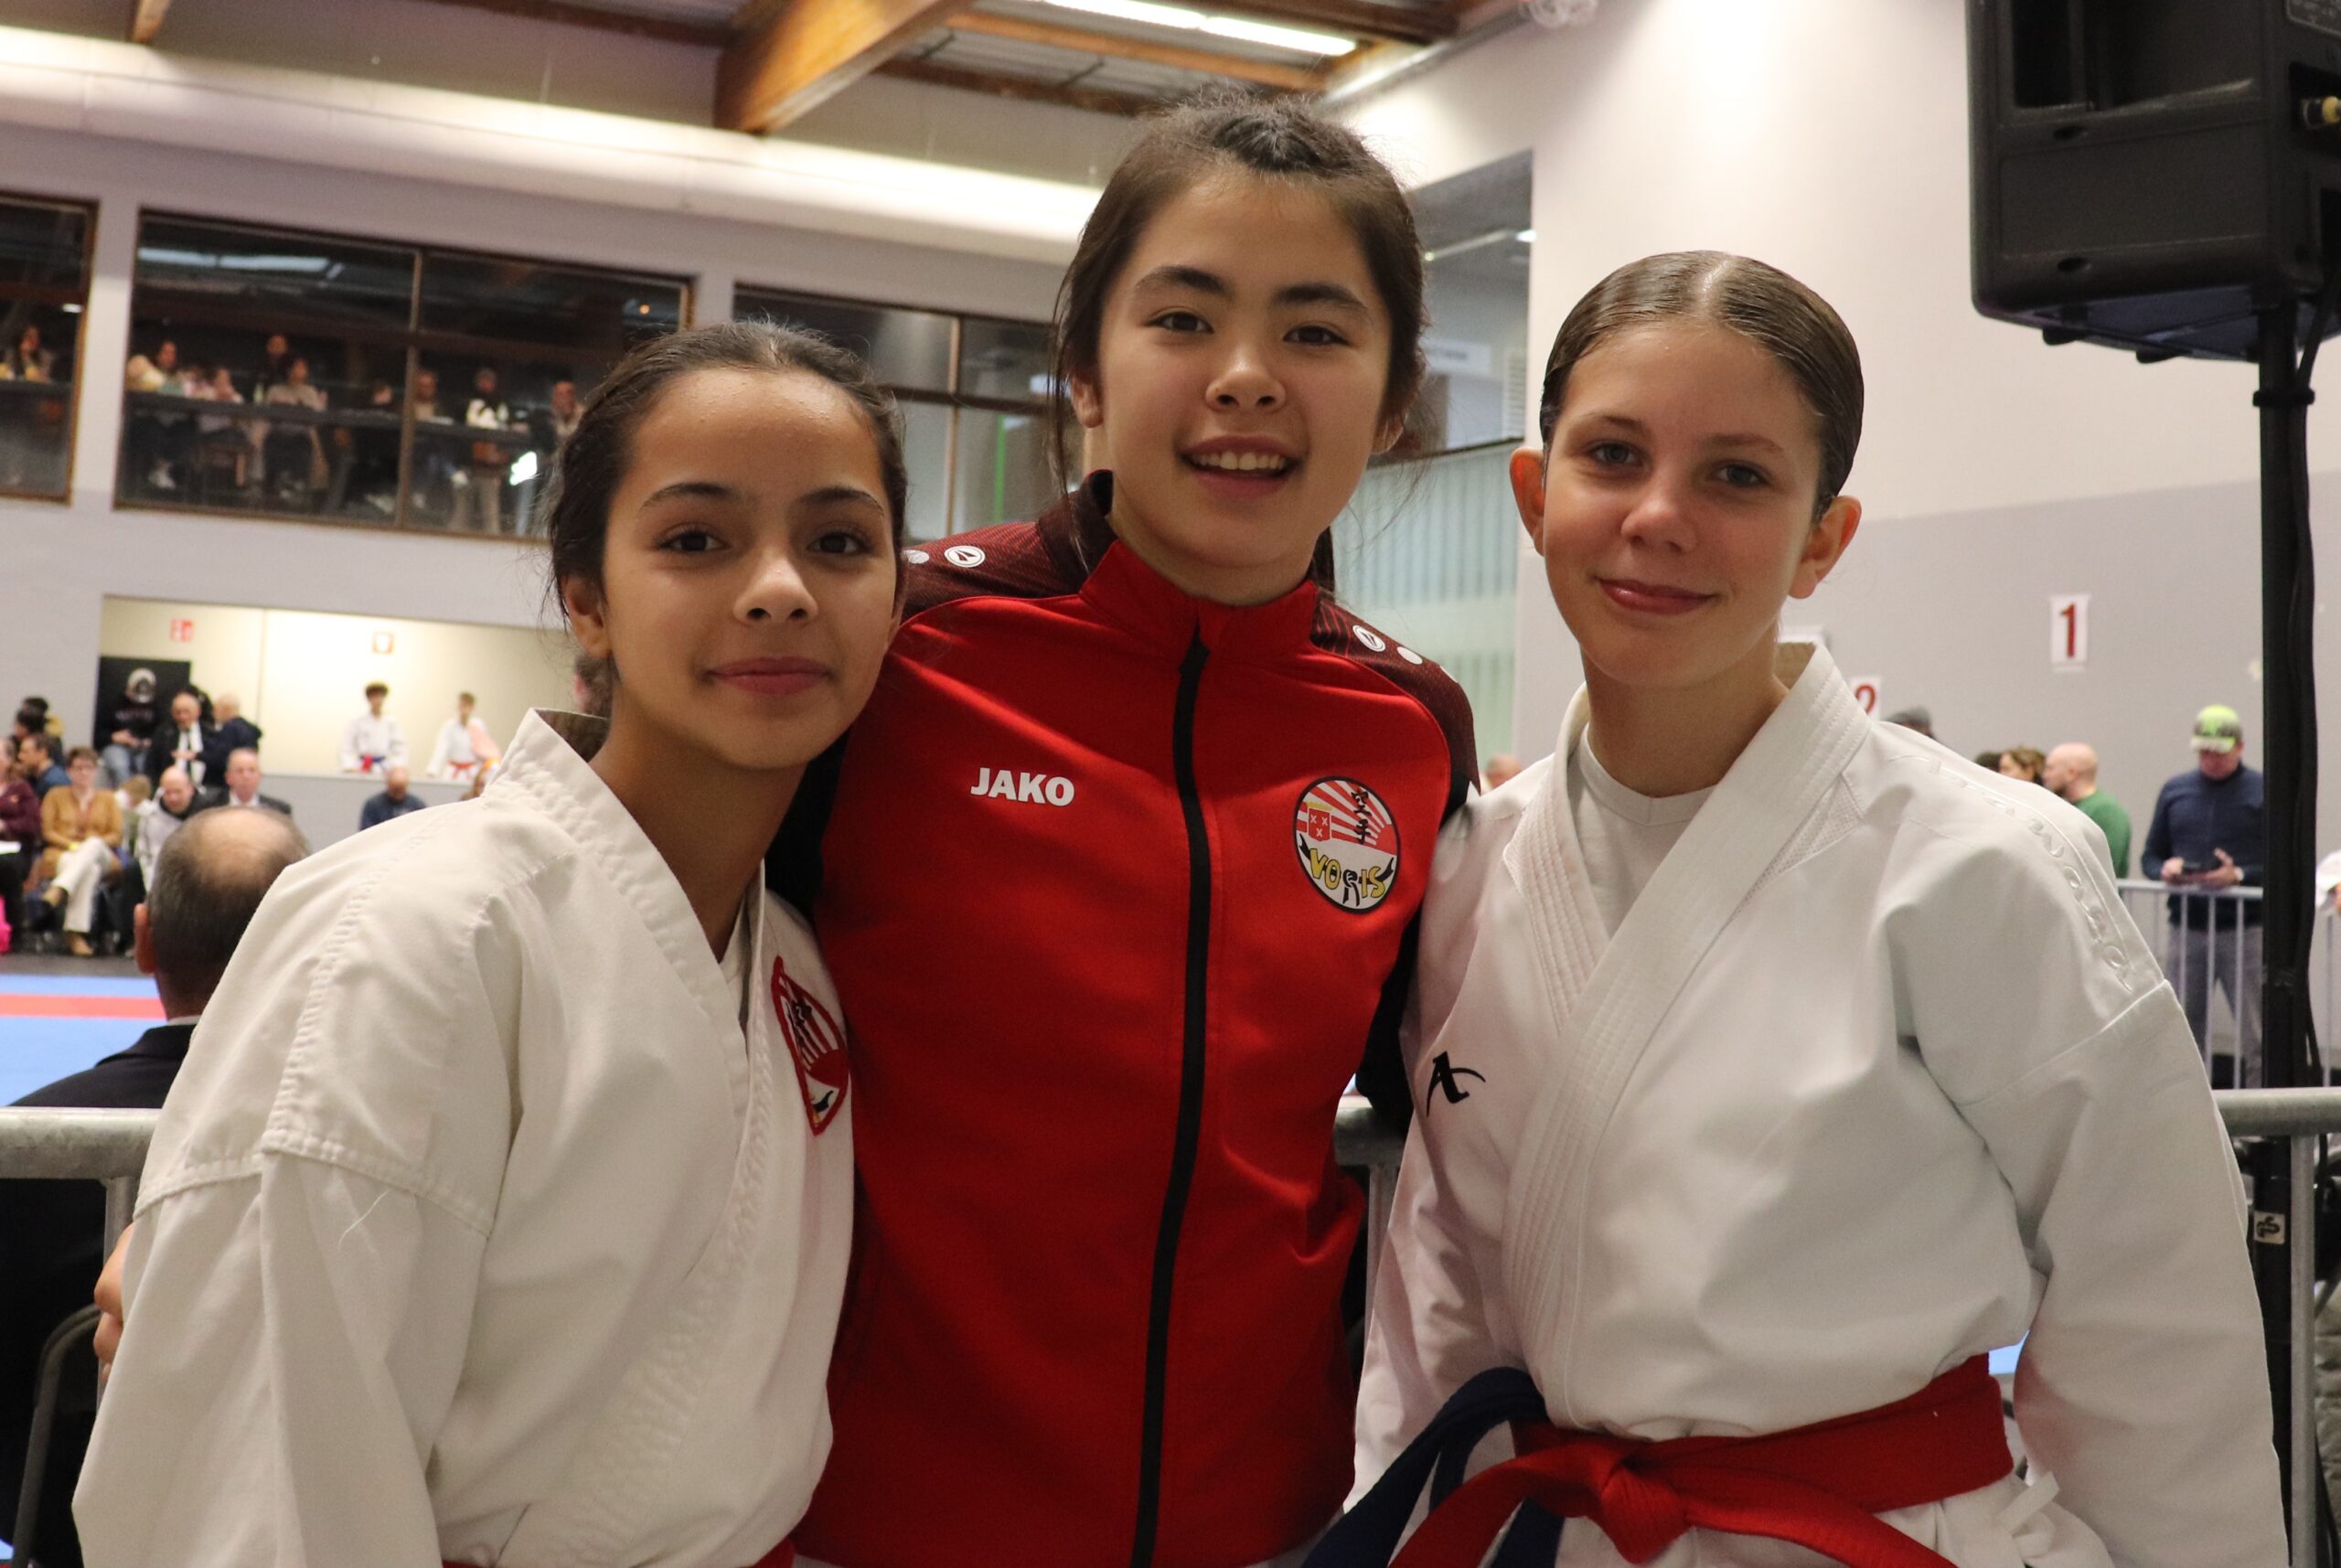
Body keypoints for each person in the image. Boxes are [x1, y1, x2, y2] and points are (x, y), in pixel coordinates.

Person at [1343, 252, 2280, 1568]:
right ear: (1535, 494)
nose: (1659, 515)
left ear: (1823, 537)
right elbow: (1433, 1292)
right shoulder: (1472, 865)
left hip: (1878, 1533)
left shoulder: (1984, 863)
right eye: (1612, 454)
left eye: (1736, 474)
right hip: (1549, 1534)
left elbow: (2156, 1313)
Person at [78, 321, 904, 1568]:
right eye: (695, 539)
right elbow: (251, 1490)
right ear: (589, 600)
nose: (781, 586)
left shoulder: (792, 962)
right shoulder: (406, 927)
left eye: (840, 542)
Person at [783, 95, 1475, 1568]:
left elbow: (1455, 1108)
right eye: (1183, 318)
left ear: (1393, 401)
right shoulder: (900, 644)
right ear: (1086, 372)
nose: (1246, 375)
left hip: (1268, 1521)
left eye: (1315, 329)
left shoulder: (1410, 727)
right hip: (873, 1514)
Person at [0, 806, 309, 1568]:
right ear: (312, 942)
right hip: (300, 1528)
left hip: (58, 1523)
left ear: (142, 938)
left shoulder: (26, 1150)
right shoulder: (377, 1142)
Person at [2142, 703, 2268, 1088]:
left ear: (2240, 747)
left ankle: (2265, 1115)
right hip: (2187, 927)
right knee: (2181, 1031)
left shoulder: (2263, 791)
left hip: (2245, 930)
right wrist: (2166, 870)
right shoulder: (2175, 790)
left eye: (2218, 752)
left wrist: (2239, 875)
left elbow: (2285, 863)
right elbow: (2150, 856)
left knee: (2257, 1034)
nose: (2210, 759)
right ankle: (2188, 1111)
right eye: (2204, 752)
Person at [38, 747, 125, 958]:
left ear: (95, 771)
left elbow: (116, 835)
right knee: (89, 870)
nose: (84, 773)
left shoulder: (108, 798)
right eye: (78, 768)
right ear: (68, 771)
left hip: (103, 855)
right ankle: (75, 934)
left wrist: (87, 846)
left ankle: (60, 888)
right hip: (64, 853)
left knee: (93, 844)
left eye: (88, 768)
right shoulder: (55, 795)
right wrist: (73, 846)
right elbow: (48, 831)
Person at [2044, 741, 2132, 879]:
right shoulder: (2070, 807)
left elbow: (2106, 866)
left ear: (2071, 773)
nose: (2045, 775)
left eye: (2050, 769)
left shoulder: (2105, 810)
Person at [260, 355, 327, 506]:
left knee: (302, 448)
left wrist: (306, 407)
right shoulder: (275, 390)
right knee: (272, 444)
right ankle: (275, 488)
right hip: (278, 435)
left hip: (300, 436)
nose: (304, 371)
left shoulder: (310, 391)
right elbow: (265, 414)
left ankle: (298, 488)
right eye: (299, 367)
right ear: (289, 370)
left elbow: (318, 417)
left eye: (304, 367)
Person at [455, 365, 514, 533]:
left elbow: (505, 433)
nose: (486, 384)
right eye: (483, 380)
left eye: (489, 381)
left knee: (490, 511)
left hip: (490, 468)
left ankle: (492, 539)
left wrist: (501, 458)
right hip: (467, 465)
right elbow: (460, 433)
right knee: (462, 510)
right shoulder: (467, 403)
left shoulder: (500, 405)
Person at [0, 741, 41, 938]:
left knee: (7, 866)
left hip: (16, 849)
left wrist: (5, 826)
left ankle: (15, 928)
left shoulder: (21, 789)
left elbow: (32, 824)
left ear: (8, 760)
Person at [135, 765, 198, 887]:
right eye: (167, 792)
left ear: (190, 789)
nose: (172, 798)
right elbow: (149, 859)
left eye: (178, 791)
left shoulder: (207, 814)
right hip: (162, 874)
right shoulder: (149, 818)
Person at [144, 689, 218, 789]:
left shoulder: (210, 734)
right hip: (170, 789)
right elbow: (152, 765)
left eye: (187, 712)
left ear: (198, 712)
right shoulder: (163, 734)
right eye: (178, 712)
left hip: (205, 789)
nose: (182, 717)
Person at [100, 666, 160, 786]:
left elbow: (162, 732)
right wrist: (114, 737)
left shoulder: (157, 707)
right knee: (120, 767)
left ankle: (142, 795)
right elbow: (97, 734)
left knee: (144, 766)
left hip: (144, 748)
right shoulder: (112, 704)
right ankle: (125, 795)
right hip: (117, 746)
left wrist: (151, 741)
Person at [195, 748, 293, 818]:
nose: (246, 776)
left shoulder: (279, 811)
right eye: (239, 771)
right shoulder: (208, 808)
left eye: (252, 770)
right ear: (228, 777)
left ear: (260, 776)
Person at [426, 690, 502, 780]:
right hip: (453, 771)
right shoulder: (449, 726)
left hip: (472, 772)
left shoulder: (478, 725)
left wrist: (485, 771)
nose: (464, 708)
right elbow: (440, 749)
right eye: (462, 705)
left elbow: (484, 749)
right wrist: (432, 771)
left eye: (467, 705)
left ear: (472, 707)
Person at [338, 680, 407, 773]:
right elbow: (347, 747)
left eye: (381, 696)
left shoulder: (391, 722)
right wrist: (349, 767)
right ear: (369, 698)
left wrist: (397, 767)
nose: (378, 699)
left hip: (384, 768)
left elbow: (399, 748)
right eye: (375, 696)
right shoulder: (357, 721)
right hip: (361, 768)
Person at [358, 764, 427, 831]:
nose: (397, 794)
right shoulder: (373, 805)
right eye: (395, 789)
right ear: (388, 784)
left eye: (400, 790)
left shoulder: (417, 806)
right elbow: (366, 832)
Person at [209, 690, 262, 763]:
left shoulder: (229, 729)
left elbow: (220, 758)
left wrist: (199, 756)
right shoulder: (250, 729)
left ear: (226, 709)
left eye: (215, 709)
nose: (212, 713)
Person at [21, 729, 69, 796]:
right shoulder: (35, 777)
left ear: (42, 753)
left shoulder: (55, 782)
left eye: (26, 752)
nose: (20, 756)